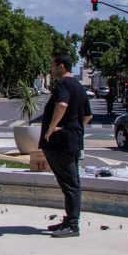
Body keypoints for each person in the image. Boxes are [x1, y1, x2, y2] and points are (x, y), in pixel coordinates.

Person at [40, 54, 89, 238]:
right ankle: (69, 220)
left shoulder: (62, 85)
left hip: (62, 142)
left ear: (61, 66)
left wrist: (51, 129)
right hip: (74, 139)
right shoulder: (79, 86)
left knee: (70, 184)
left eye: (52, 65)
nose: (51, 69)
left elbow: (61, 104)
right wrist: (74, 127)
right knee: (71, 182)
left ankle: (73, 225)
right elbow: (87, 115)